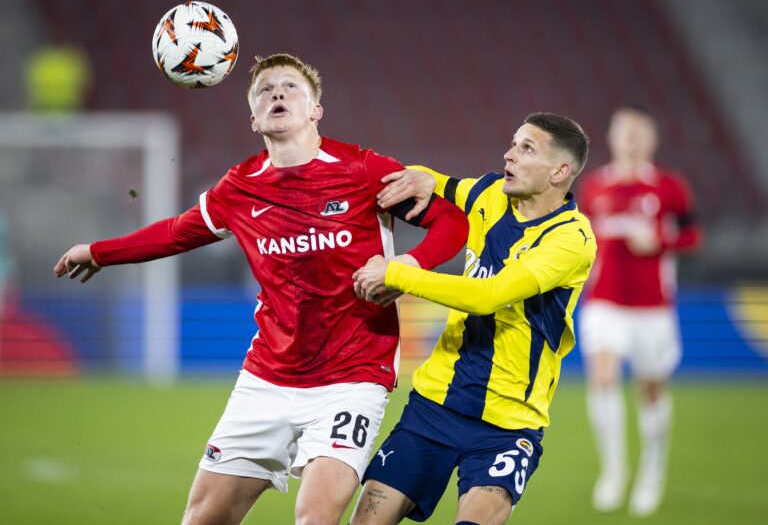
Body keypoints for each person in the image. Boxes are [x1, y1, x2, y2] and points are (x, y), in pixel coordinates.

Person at [53, 53, 468, 525]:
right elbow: (174, 233)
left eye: (291, 87)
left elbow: (451, 222)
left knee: (314, 518)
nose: (277, 93)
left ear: (316, 110)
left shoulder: (364, 170)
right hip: (266, 378)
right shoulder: (240, 188)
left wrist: (404, 268)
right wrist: (99, 251)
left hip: (353, 378)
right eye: (265, 89)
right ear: (253, 118)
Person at [350, 113, 595, 524]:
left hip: (507, 425)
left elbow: (490, 295)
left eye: (526, 148)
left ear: (560, 172)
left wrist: (397, 272)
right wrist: (423, 177)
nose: (509, 155)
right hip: (434, 405)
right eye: (514, 143)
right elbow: (437, 183)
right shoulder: (489, 194)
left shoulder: (572, 240)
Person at [576, 105, 701, 516]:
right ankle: (613, 469)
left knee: (651, 389)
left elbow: (693, 236)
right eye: (623, 130)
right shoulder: (594, 188)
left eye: (638, 131)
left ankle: (652, 469)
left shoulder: (670, 187)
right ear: (611, 137)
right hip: (604, 302)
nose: (630, 137)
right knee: (604, 374)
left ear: (651, 138)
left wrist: (661, 243)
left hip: (652, 307)